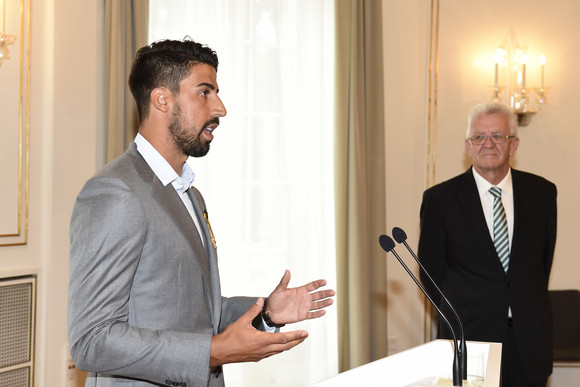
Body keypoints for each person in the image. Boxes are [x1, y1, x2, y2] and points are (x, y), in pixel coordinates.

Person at [67, 38, 335, 387]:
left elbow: (197, 313)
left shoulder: (191, 195)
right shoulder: (115, 192)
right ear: (162, 99)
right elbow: (92, 340)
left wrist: (267, 310)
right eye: (205, 92)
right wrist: (212, 351)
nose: (221, 108)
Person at [417, 102, 557, 387]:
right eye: (479, 137)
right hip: (470, 341)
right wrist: (461, 314)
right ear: (468, 146)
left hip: (530, 342)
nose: (488, 144)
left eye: (498, 136)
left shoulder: (542, 193)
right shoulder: (440, 200)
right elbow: (430, 276)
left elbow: (542, 262)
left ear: (513, 144)